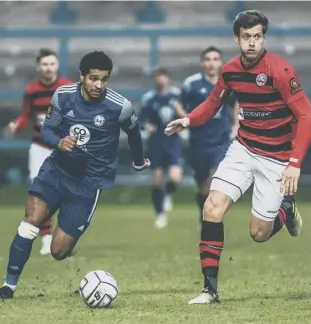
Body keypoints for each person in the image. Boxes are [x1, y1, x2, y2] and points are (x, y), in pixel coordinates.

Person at [165, 10, 311, 304]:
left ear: (263, 38)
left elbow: (306, 115)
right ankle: (209, 290)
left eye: (257, 36)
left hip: (276, 158)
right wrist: (189, 120)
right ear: (237, 38)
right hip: (243, 149)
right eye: (246, 37)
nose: (252, 43)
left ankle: (286, 209)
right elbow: (212, 103)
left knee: (259, 233)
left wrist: (294, 164)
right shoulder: (230, 70)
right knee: (212, 207)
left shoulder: (281, 72)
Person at [0, 51, 150, 300]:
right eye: (93, 79)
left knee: (59, 251)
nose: (99, 85)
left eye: (104, 79)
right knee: (30, 220)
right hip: (57, 170)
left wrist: (137, 162)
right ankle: (8, 287)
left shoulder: (120, 106)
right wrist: (59, 142)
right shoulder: (63, 95)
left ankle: (65, 240)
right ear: (82, 76)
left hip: (89, 183)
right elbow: (47, 130)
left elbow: (134, 134)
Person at [5, 48, 72, 255]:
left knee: (67, 192)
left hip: (64, 146)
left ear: (57, 65)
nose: (48, 68)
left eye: (52, 64)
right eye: (44, 64)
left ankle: (65, 239)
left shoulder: (67, 87)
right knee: (39, 192)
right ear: (38, 67)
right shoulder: (32, 91)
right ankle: (46, 238)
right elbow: (27, 116)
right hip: (40, 146)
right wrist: (17, 124)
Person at [175, 47, 239, 222]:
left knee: (215, 177)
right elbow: (179, 105)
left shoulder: (228, 83)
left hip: (221, 139)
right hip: (199, 140)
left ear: (220, 62)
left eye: (215, 59)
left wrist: (236, 125)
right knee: (202, 185)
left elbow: (235, 104)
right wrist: (187, 119)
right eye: (208, 59)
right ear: (203, 62)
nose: (212, 63)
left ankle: (213, 217)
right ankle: (203, 213)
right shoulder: (192, 84)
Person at [139, 68, 182, 229]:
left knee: (175, 177)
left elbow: (185, 113)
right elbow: (141, 120)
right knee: (157, 180)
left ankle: (168, 195)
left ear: (168, 79)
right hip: (155, 142)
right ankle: (160, 214)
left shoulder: (176, 96)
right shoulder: (149, 99)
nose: (160, 80)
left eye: (163, 77)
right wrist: (146, 126)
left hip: (172, 141)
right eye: (158, 77)